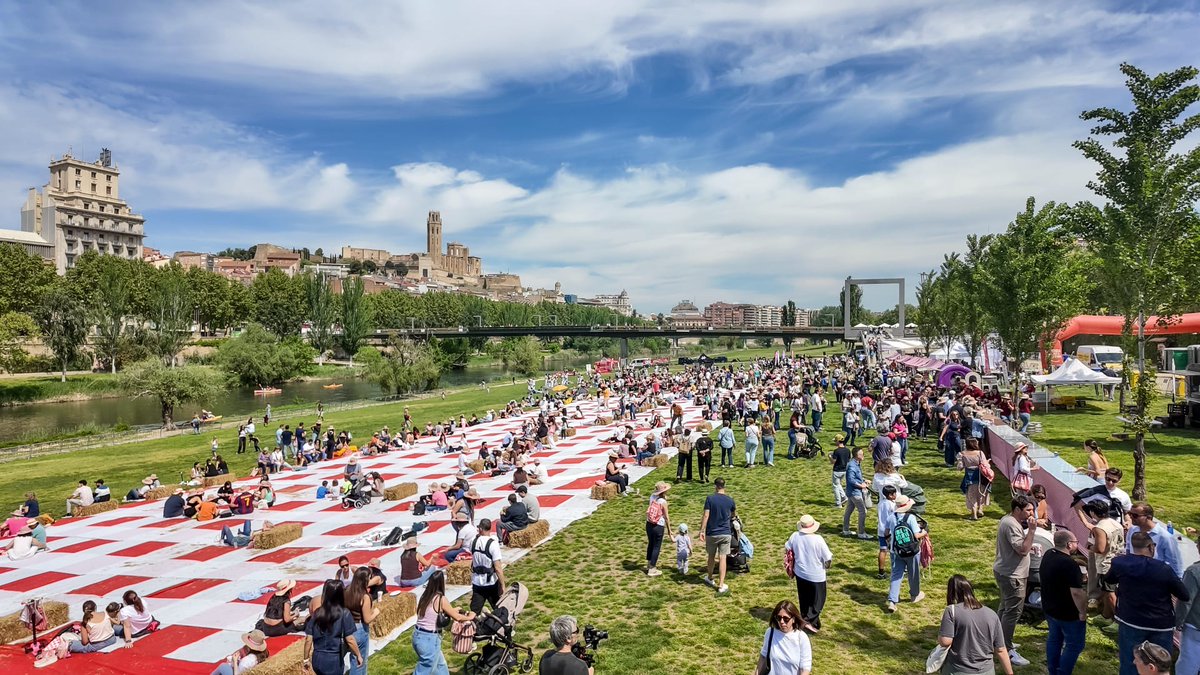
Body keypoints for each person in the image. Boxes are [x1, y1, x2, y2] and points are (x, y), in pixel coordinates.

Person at [1104, 531, 1190, 675]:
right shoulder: (1163, 569)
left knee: (1130, 663)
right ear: (1151, 547)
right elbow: (1184, 595)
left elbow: (1109, 579)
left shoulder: (1120, 563)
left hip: (1130, 620)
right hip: (1160, 623)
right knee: (1160, 666)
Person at [937, 574, 1013, 675]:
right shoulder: (991, 614)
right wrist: (1010, 673)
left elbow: (945, 641)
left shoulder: (951, 611)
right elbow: (1001, 649)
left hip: (958, 670)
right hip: (987, 671)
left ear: (952, 592)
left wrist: (940, 636)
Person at [993, 495, 1037, 667]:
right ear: (1017, 509)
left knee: (1005, 608)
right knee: (1012, 612)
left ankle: (997, 639)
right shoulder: (1011, 524)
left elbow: (1019, 546)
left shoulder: (1008, 520)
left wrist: (1031, 545)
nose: (1032, 513)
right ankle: (1006, 648)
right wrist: (1032, 531)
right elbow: (1022, 549)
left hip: (1007, 572)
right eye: (1028, 510)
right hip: (1013, 575)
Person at [1038, 529, 1087, 675]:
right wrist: (1083, 612)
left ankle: (1053, 671)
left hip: (1050, 608)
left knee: (1054, 640)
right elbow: (1077, 593)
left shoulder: (1048, 554)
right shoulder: (1069, 564)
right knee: (1074, 645)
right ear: (1069, 544)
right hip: (1068, 613)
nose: (1077, 544)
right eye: (1076, 542)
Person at [413, 570, 475, 675]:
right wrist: (470, 616)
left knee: (440, 665)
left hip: (418, 636)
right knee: (425, 669)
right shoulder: (440, 599)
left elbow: (433, 613)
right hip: (430, 639)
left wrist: (453, 609)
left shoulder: (425, 596)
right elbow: (457, 617)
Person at [303, 580, 362, 675]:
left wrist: (306, 659)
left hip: (317, 658)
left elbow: (308, 639)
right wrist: (358, 655)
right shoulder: (344, 613)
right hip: (334, 659)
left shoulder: (317, 612)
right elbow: (350, 639)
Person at [786, 515, 831, 632]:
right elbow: (827, 558)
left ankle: (808, 620)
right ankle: (808, 621)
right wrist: (827, 566)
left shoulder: (795, 536)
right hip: (816, 575)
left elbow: (787, 548)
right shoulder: (818, 539)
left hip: (800, 572)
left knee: (804, 598)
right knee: (818, 601)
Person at [885, 495, 926, 613]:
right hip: (912, 551)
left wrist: (890, 542)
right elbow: (917, 535)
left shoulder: (891, 517)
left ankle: (892, 601)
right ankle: (914, 595)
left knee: (896, 575)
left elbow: (886, 532)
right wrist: (924, 532)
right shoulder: (911, 518)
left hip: (896, 551)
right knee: (913, 573)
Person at [754, 600, 812, 675]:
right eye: (779, 618)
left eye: (786, 619)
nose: (781, 622)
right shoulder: (770, 632)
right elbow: (763, 656)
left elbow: (805, 668)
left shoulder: (802, 638)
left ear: (793, 619)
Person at [1126, 502, 1183, 579]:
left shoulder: (1165, 537)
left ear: (1149, 517)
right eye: (1130, 514)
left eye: (1135, 515)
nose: (1131, 517)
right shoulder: (1132, 530)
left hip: (1156, 579)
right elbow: (1128, 551)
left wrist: (1176, 582)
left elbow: (1175, 564)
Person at [700, 477, 735, 594]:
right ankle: (721, 584)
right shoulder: (730, 500)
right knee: (722, 557)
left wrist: (701, 530)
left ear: (715, 486)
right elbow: (733, 514)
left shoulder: (710, 499)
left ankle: (710, 577)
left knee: (711, 556)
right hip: (725, 533)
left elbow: (706, 515)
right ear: (724, 486)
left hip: (712, 533)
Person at [344, 567, 379, 675]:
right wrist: (376, 612)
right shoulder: (364, 597)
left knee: (354, 657)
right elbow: (367, 619)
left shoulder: (347, 590)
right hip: (359, 629)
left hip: (347, 627)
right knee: (360, 661)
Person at [469, 519, 506, 613]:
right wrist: (502, 585)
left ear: (481, 529)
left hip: (477, 582)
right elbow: (498, 568)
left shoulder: (473, 541)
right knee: (499, 609)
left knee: (474, 612)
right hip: (491, 582)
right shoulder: (493, 544)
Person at [841, 446, 872, 539]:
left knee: (849, 510)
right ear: (856, 455)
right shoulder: (852, 466)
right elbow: (851, 480)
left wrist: (864, 480)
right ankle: (861, 533)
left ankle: (846, 530)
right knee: (863, 511)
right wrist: (861, 485)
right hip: (855, 492)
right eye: (861, 454)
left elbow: (857, 477)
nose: (863, 455)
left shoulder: (856, 464)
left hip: (852, 491)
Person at [645, 482, 671, 577]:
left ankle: (649, 564)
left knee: (651, 544)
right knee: (656, 546)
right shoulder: (663, 502)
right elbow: (666, 517)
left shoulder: (652, 497)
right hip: (658, 526)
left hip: (649, 524)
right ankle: (652, 568)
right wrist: (669, 530)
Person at [829, 435, 850, 508]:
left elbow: (833, 461)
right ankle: (844, 497)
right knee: (838, 485)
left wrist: (830, 457)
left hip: (837, 470)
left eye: (835, 441)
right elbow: (848, 460)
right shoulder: (847, 450)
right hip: (844, 470)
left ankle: (838, 503)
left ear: (838, 441)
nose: (835, 442)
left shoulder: (836, 451)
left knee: (835, 486)